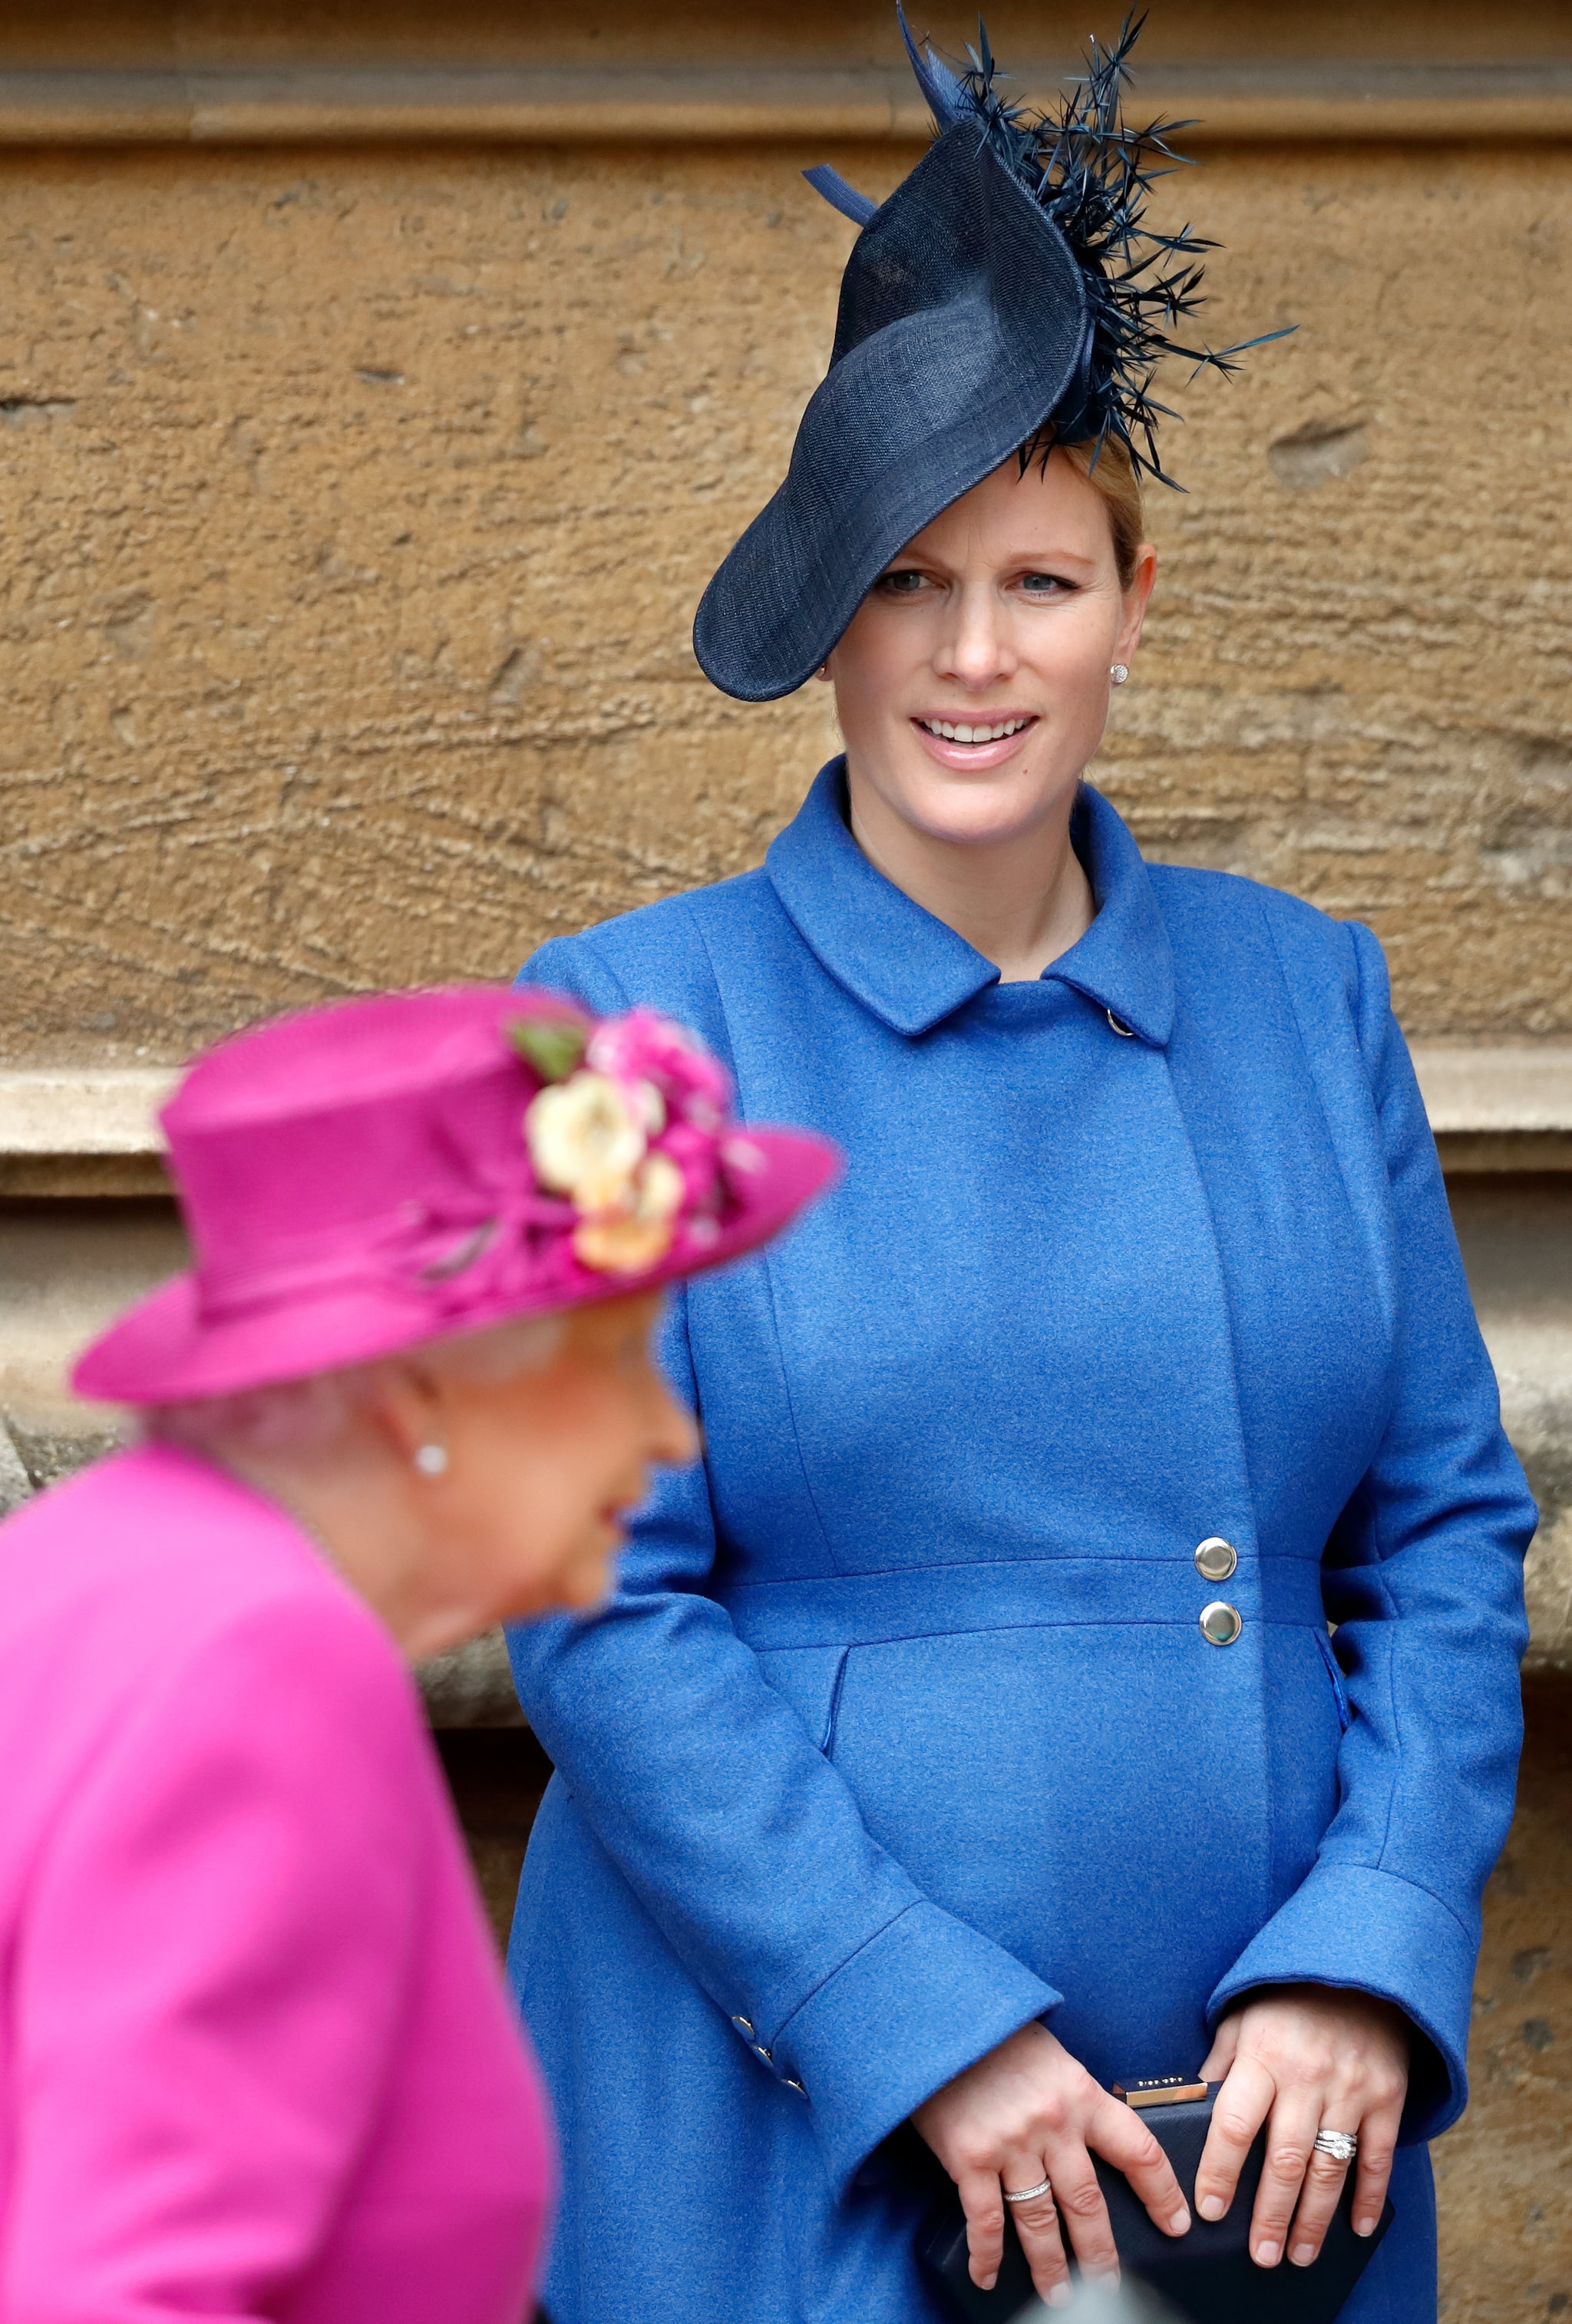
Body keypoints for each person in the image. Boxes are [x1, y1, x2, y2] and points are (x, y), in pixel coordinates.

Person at [501, 14, 1534, 2324]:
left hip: (1257, 2154)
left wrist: (1370, 1956)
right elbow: (596, 1609)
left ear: (1134, 611)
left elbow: (1447, 1531)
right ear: (826, 620)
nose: (974, 656)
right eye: (905, 583)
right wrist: (912, 2017)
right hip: (799, 2149)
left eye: (1043, 584)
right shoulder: (623, 1020)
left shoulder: (1308, 997)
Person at [0, 983, 835, 2323]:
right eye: (621, 1361)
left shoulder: (99, 1565)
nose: (669, 1438)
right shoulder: (263, 1663)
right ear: (423, 1395)